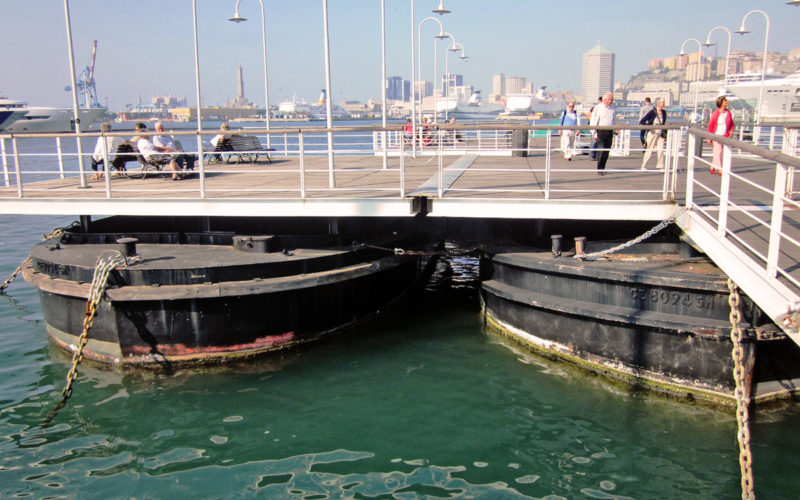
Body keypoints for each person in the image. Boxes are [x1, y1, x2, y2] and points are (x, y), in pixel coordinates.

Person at [706, 95, 734, 175]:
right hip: (716, 135)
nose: (727, 102)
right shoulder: (715, 113)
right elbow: (711, 125)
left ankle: (712, 167)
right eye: (725, 101)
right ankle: (720, 169)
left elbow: (731, 123)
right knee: (718, 152)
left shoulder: (728, 113)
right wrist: (709, 137)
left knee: (717, 153)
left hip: (725, 135)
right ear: (721, 103)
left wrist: (731, 131)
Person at [589, 92, 616, 175]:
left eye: (612, 99)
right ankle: (599, 169)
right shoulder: (598, 108)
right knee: (602, 150)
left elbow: (614, 120)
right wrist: (594, 133)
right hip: (600, 131)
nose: (611, 101)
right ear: (605, 100)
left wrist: (616, 129)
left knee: (606, 152)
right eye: (610, 99)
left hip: (609, 132)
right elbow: (593, 121)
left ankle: (603, 168)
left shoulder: (613, 108)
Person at [639, 97, 667, 171]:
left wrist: (665, 134)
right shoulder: (652, 112)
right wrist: (649, 127)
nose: (663, 104)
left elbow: (664, 124)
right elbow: (643, 121)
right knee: (649, 150)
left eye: (664, 102)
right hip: (652, 133)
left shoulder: (664, 113)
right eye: (662, 102)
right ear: (658, 103)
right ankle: (643, 165)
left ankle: (661, 166)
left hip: (660, 133)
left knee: (661, 150)